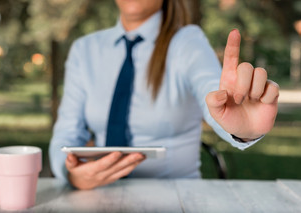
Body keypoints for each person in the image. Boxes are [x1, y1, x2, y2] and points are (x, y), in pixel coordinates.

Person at [49, 0, 279, 190]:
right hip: (98, 195)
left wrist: (240, 128)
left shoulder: (188, 42)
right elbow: (66, 133)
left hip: (175, 197)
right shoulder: (85, 49)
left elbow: (212, 92)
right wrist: (71, 175)